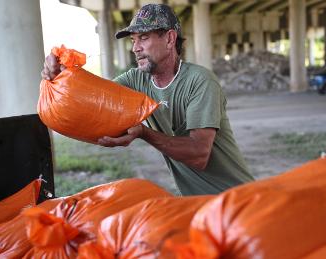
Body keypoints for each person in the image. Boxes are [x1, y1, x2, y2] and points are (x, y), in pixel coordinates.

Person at [42, 3, 254, 195]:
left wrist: (145, 133)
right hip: (198, 205)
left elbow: (199, 155)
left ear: (170, 39)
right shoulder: (136, 79)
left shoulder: (200, 81)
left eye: (143, 37)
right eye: (133, 40)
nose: (135, 47)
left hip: (238, 200)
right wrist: (60, 75)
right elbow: (94, 100)